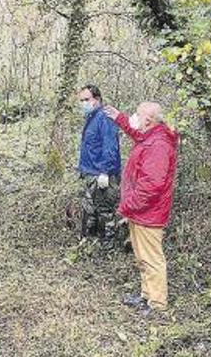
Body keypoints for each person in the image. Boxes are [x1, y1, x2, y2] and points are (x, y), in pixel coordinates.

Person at [103, 102, 179, 315]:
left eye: (137, 114)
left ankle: (157, 304)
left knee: (152, 259)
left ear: (149, 120)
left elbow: (151, 185)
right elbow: (137, 134)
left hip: (148, 213)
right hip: (140, 212)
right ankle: (147, 295)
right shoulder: (151, 136)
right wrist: (121, 119)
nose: (134, 117)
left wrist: (128, 205)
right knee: (142, 256)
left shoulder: (159, 145)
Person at [76, 85, 121, 248]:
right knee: (90, 209)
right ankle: (90, 242)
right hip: (90, 172)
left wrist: (105, 172)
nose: (83, 103)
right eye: (81, 100)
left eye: (87, 100)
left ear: (97, 99)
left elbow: (110, 147)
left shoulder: (105, 117)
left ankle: (108, 246)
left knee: (105, 211)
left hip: (102, 174)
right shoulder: (91, 117)